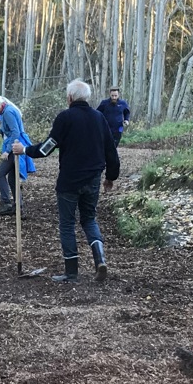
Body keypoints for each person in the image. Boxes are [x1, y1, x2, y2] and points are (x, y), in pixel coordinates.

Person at [11, 79, 120, 283]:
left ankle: (71, 272)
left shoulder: (65, 118)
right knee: (89, 219)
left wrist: (24, 150)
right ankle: (100, 260)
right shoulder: (99, 117)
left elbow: (47, 148)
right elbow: (111, 151)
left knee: (67, 224)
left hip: (70, 181)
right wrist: (110, 177)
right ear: (87, 97)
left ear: (69, 97)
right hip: (93, 179)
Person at [0, 94, 34, 216]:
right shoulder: (7, 110)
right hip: (15, 145)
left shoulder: (7, 112)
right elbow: (10, 129)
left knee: (0, 174)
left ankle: (6, 203)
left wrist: (7, 151)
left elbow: (15, 132)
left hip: (14, 146)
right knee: (12, 179)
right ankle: (18, 207)